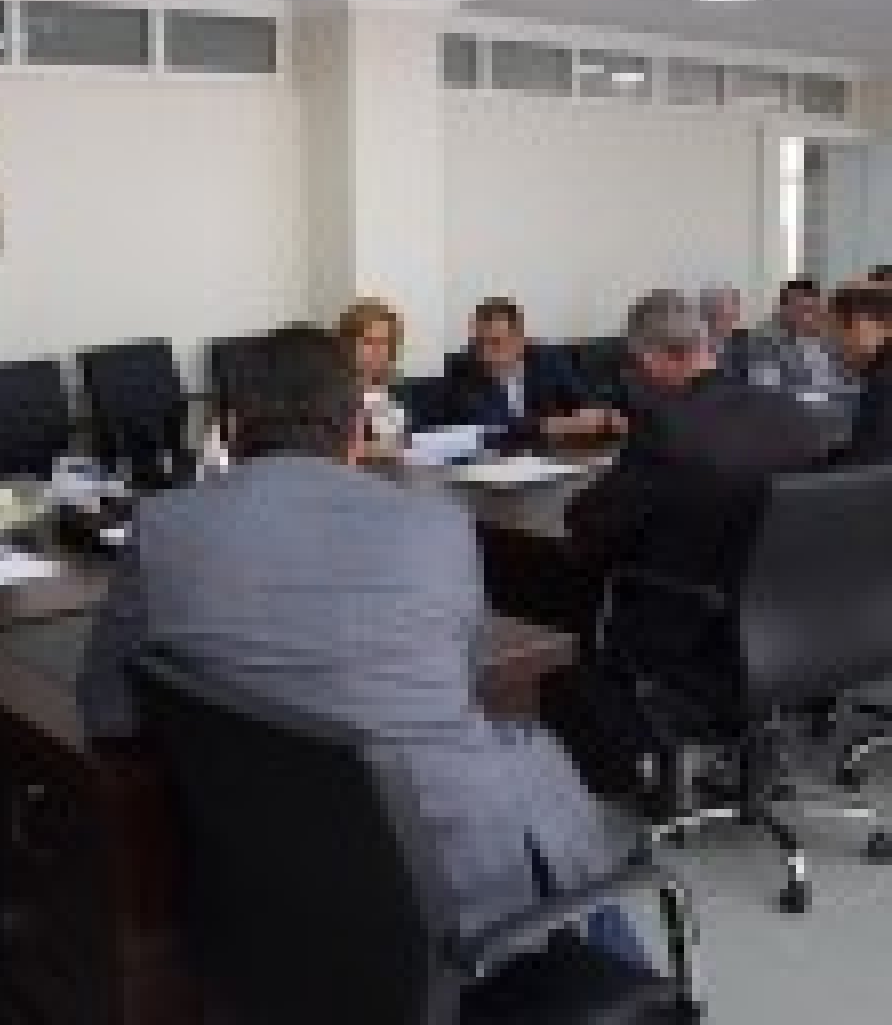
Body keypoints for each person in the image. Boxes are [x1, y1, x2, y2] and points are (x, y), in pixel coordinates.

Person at [80, 324, 648, 968]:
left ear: (230, 430)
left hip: (262, 880)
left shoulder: (161, 527)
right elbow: (465, 681)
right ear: (356, 432)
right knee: (551, 813)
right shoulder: (437, 526)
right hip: (460, 889)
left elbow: (107, 711)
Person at [566, 292, 830, 715]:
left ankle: (612, 721)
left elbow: (597, 521)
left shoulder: (665, 425)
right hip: (788, 614)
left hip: (694, 618)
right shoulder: (791, 412)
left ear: (652, 358)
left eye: (636, 365)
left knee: (592, 574)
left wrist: (578, 509)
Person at [443, 298, 625, 447]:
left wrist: (599, 416)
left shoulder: (546, 359)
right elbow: (492, 427)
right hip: (494, 462)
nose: (485, 352)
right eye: (479, 342)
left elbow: (582, 397)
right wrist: (548, 426)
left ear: (521, 340)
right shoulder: (462, 368)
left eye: (496, 342)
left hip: (550, 455)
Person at [745, 278, 848, 396]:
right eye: (801, 309)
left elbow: (848, 388)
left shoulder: (836, 347)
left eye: (813, 308)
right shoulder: (768, 350)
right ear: (784, 312)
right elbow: (768, 393)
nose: (809, 316)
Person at [829, 282, 892, 464]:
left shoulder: (883, 384)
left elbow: (869, 465)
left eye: (839, 331)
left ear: (862, 324)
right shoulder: (877, 375)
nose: (837, 345)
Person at [337, 298, 407, 453]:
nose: (378, 351)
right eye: (369, 342)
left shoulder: (388, 392)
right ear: (348, 345)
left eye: (385, 342)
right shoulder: (335, 395)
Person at [698, 284, 748, 382]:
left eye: (730, 308)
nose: (724, 313)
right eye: (719, 308)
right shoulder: (697, 342)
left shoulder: (746, 344)